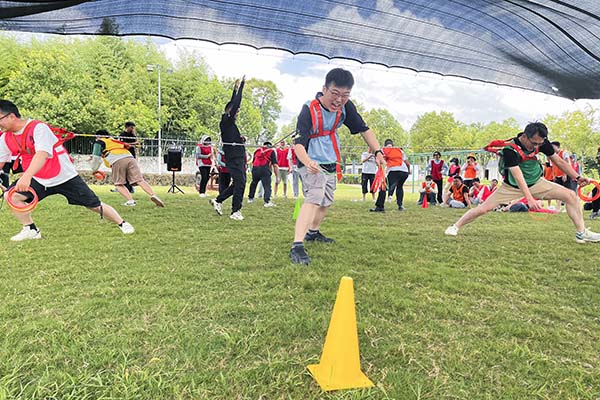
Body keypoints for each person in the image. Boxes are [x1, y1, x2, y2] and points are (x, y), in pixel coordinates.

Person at [0, 100, 134, 241]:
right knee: (12, 195)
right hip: (39, 178)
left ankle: (122, 223)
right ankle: (31, 229)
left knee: (94, 205)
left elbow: (42, 154)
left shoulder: (38, 128)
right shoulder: (5, 138)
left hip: (64, 176)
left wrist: (26, 176)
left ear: (11, 116)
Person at [445, 122, 600, 243]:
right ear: (525, 136)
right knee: (483, 208)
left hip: (537, 182)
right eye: (534, 143)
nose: (537, 147)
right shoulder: (509, 150)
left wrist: (577, 177)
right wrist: (530, 199)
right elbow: (518, 176)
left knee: (571, 195)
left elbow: (558, 161)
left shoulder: (541, 142)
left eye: (540, 144)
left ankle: (581, 233)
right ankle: (455, 226)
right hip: (512, 186)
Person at [289, 68, 384, 265]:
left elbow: (364, 129)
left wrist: (378, 152)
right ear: (324, 89)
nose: (339, 100)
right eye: (335, 93)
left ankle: (313, 232)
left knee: (326, 201)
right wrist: (308, 162)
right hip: (310, 160)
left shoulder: (346, 107)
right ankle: (297, 245)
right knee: (314, 196)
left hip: (331, 159)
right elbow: (298, 144)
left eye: (345, 95)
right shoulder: (308, 109)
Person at [91, 130, 165, 208]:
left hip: (117, 160)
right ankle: (154, 195)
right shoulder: (114, 140)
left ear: (98, 136)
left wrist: (94, 169)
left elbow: (96, 158)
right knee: (140, 180)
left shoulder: (99, 142)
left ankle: (130, 201)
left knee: (119, 184)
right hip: (130, 158)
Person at [210, 77, 247, 221]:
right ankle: (235, 211)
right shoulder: (226, 120)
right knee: (240, 184)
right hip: (234, 158)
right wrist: (241, 87)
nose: (238, 112)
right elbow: (235, 103)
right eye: (236, 111)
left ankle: (218, 200)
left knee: (238, 183)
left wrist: (240, 139)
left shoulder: (230, 124)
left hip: (238, 157)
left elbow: (233, 104)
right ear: (230, 111)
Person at [369, 138, 410, 212]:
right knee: (400, 187)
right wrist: (409, 170)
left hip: (394, 170)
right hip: (404, 171)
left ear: (385, 145)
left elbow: (378, 160)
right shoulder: (399, 150)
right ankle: (400, 206)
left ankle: (380, 206)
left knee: (383, 187)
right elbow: (407, 163)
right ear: (393, 145)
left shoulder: (383, 150)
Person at [247, 141, 279, 207]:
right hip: (264, 169)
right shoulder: (271, 151)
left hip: (255, 168)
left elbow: (253, 161)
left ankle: (250, 198)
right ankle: (267, 202)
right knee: (267, 186)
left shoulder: (257, 150)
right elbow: (275, 165)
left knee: (254, 183)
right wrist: (277, 176)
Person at [118, 121, 139, 193]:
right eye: (131, 127)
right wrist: (133, 143)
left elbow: (137, 144)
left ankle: (130, 187)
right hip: (124, 155)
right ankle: (123, 186)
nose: (132, 129)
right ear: (127, 127)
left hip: (131, 155)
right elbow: (123, 144)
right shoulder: (122, 135)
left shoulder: (132, 135)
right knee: (123, 171)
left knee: (130, 172)